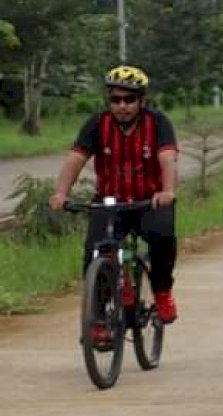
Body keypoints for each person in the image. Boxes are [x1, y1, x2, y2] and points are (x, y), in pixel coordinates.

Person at [50, 65, 181, 348]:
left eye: (129, 100)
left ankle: (161, 292)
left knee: (163, 238)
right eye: (116, 100)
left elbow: (167, 159)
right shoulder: (97, 124)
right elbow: (75, 159)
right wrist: (61, 194)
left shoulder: (157, 123)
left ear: (142, 101)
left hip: (150, 200)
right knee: (94, 253)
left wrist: (168, 191)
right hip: (110, 202)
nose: (122, 106)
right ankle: (98, 321)